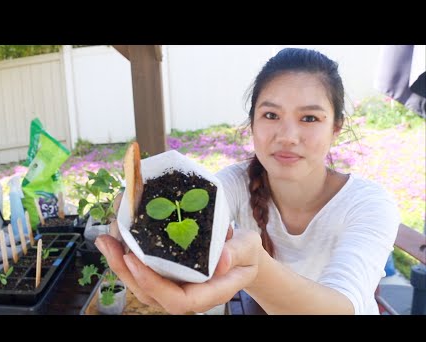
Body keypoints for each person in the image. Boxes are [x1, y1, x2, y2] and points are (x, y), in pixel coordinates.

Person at [95, 48, 401, 315]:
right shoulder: (233, 186)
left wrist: (256, 271)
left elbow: (343, 306)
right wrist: (133, 214)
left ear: (336, 127)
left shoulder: (369, 206)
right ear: (252, 122)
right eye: (271, 115)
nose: (287, 137)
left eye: (309, 118)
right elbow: (189, 210)